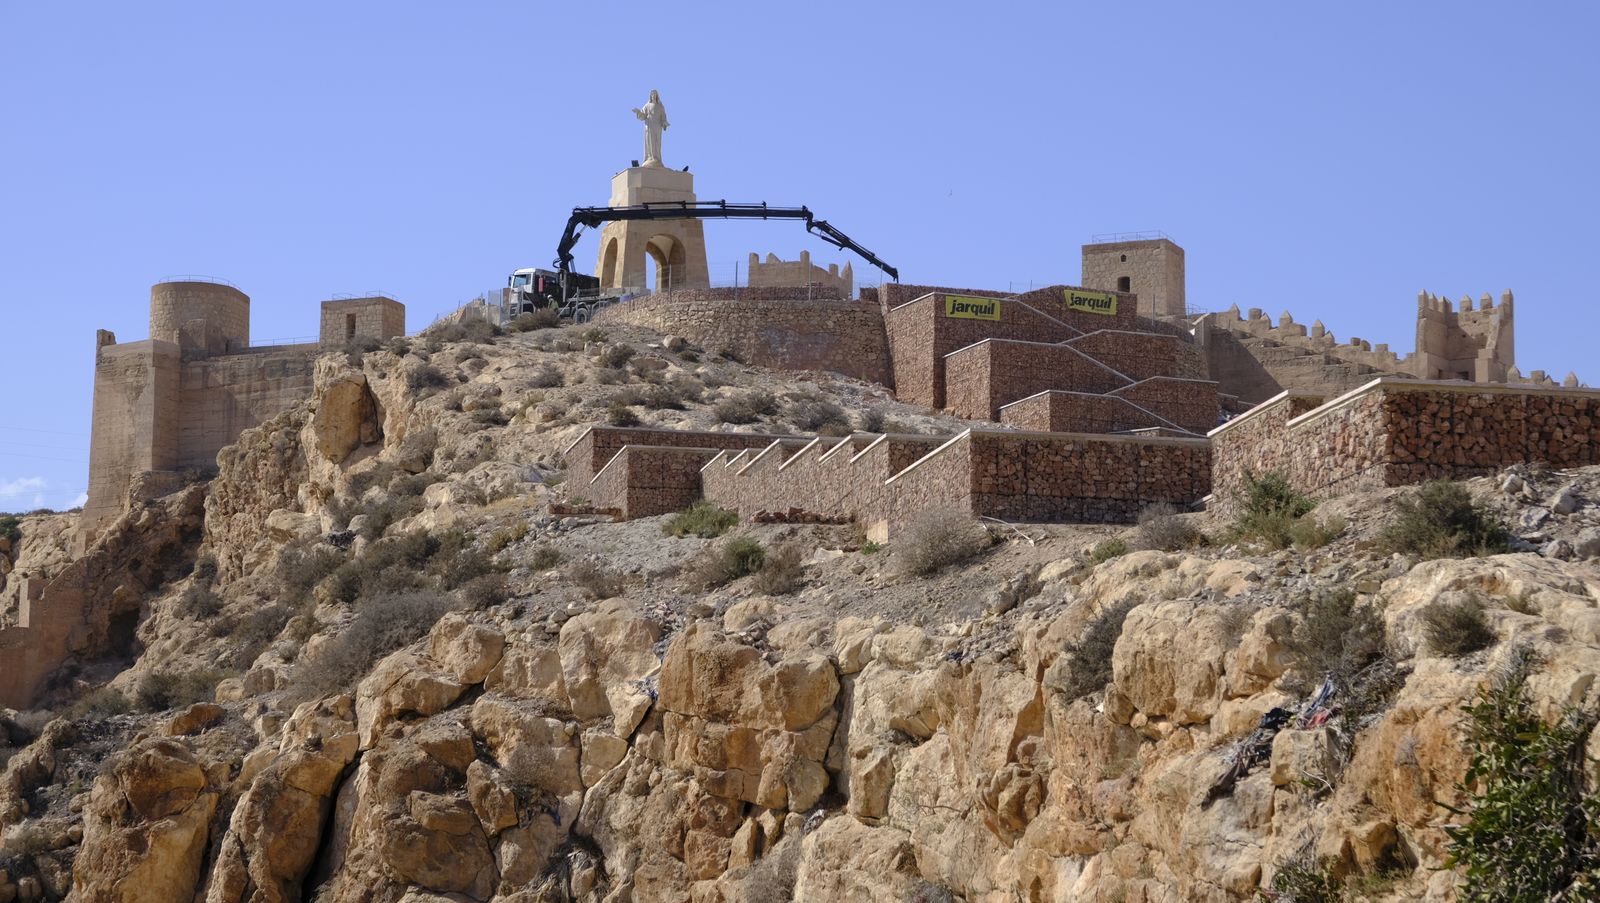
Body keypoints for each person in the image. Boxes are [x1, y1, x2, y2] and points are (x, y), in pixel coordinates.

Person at [631, 90, 669, 167]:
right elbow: (643, 115)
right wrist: (638, 112)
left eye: (655, 94)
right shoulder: (647, 105)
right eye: (652, 94)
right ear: (650, 96)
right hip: (649, 126)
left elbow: (663, 117)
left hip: (657, 127)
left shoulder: (660, 106)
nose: (653, 96)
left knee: (657, 142)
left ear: (657, 96)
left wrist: (664, 123)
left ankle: (656, 158)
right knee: (650, 141)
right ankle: (650, 157)